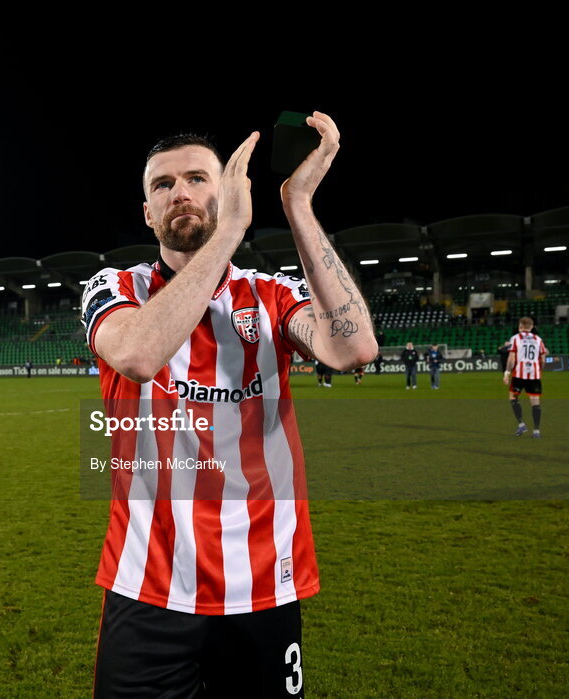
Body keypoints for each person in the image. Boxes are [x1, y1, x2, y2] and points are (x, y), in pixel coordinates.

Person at [84, 114, 378, 696]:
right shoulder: (114, 289)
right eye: (162, 186)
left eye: (197, 178)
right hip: (150, 587)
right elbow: (140, 355)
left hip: (263, 581)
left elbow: (353, 349)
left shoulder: (270, 295)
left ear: (227, 192)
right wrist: (229, 233)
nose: (180, 193)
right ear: (147, 212)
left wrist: (297, 204)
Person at [504, 316, 547, 438]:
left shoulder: (515, 338)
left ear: (520, 326)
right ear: (532, 327)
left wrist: (507, 373)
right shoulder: (538, 339)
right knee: (535, 401)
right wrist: (539, 371)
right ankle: (536, 431)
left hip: (519, 374)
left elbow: (511, 358)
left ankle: (521, 424)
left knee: (513, 397)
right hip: (534, 375)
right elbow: (543, 359)